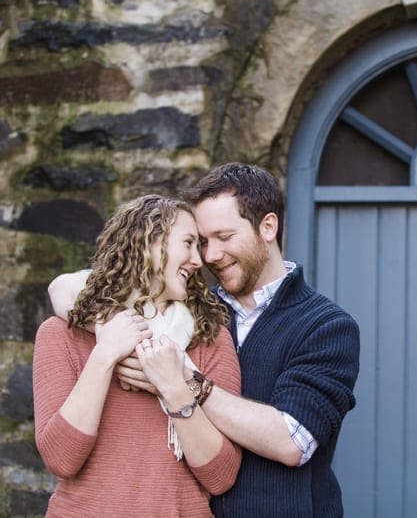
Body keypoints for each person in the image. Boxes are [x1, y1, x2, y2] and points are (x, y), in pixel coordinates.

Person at [49, 163, 360, 518]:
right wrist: (109, 325)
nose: (209, 257)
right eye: (202, 242)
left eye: (224, 238)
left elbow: (292, 442)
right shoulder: (197, 314)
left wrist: (184, 381)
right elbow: (66, 288)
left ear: (268, 227)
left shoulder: (326, 327)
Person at [36, 195, 242, 517]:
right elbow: (61, 459)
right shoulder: (62, 334)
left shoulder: (210, 340)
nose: (198, 260)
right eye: (188, 243)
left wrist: (174, 386)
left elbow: (221, 476)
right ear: (149, 243)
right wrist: (105, 354)